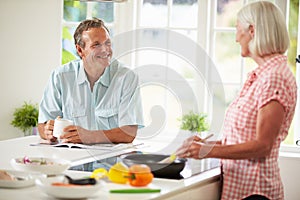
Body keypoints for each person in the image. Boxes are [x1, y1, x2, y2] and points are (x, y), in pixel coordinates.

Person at [176, 1, 297, 200]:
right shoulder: (261, 75)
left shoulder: (274, 77)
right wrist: (203, 145)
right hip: (242, 190)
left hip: (256, 193)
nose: (235, 38)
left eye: (237, 29)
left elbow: (262, 145)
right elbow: (243, 139)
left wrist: (207, 151)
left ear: (252, 30)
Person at [37, 18, 144, 144]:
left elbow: (129, 132)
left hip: (110, 163)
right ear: (80, 50)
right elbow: (43, 125)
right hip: (71, 161)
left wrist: (90, 136)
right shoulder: (60, 77)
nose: (105, 50)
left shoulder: (126, 77)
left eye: (107, 43)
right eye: (96, 45)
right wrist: (48, 131)